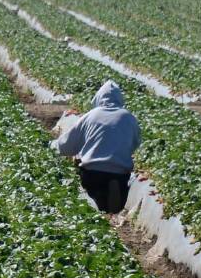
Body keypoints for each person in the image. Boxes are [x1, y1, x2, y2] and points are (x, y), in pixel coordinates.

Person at [50, 80, 141, 214]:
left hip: (92, 172)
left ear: (98, 98)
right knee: (118, 186)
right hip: (120, 174)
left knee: (90, 194)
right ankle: (115, 196)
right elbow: (135, 143)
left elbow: (67, 146)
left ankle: (95, 202)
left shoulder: (91, 116)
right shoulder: (129, 118)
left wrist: (52, 145)